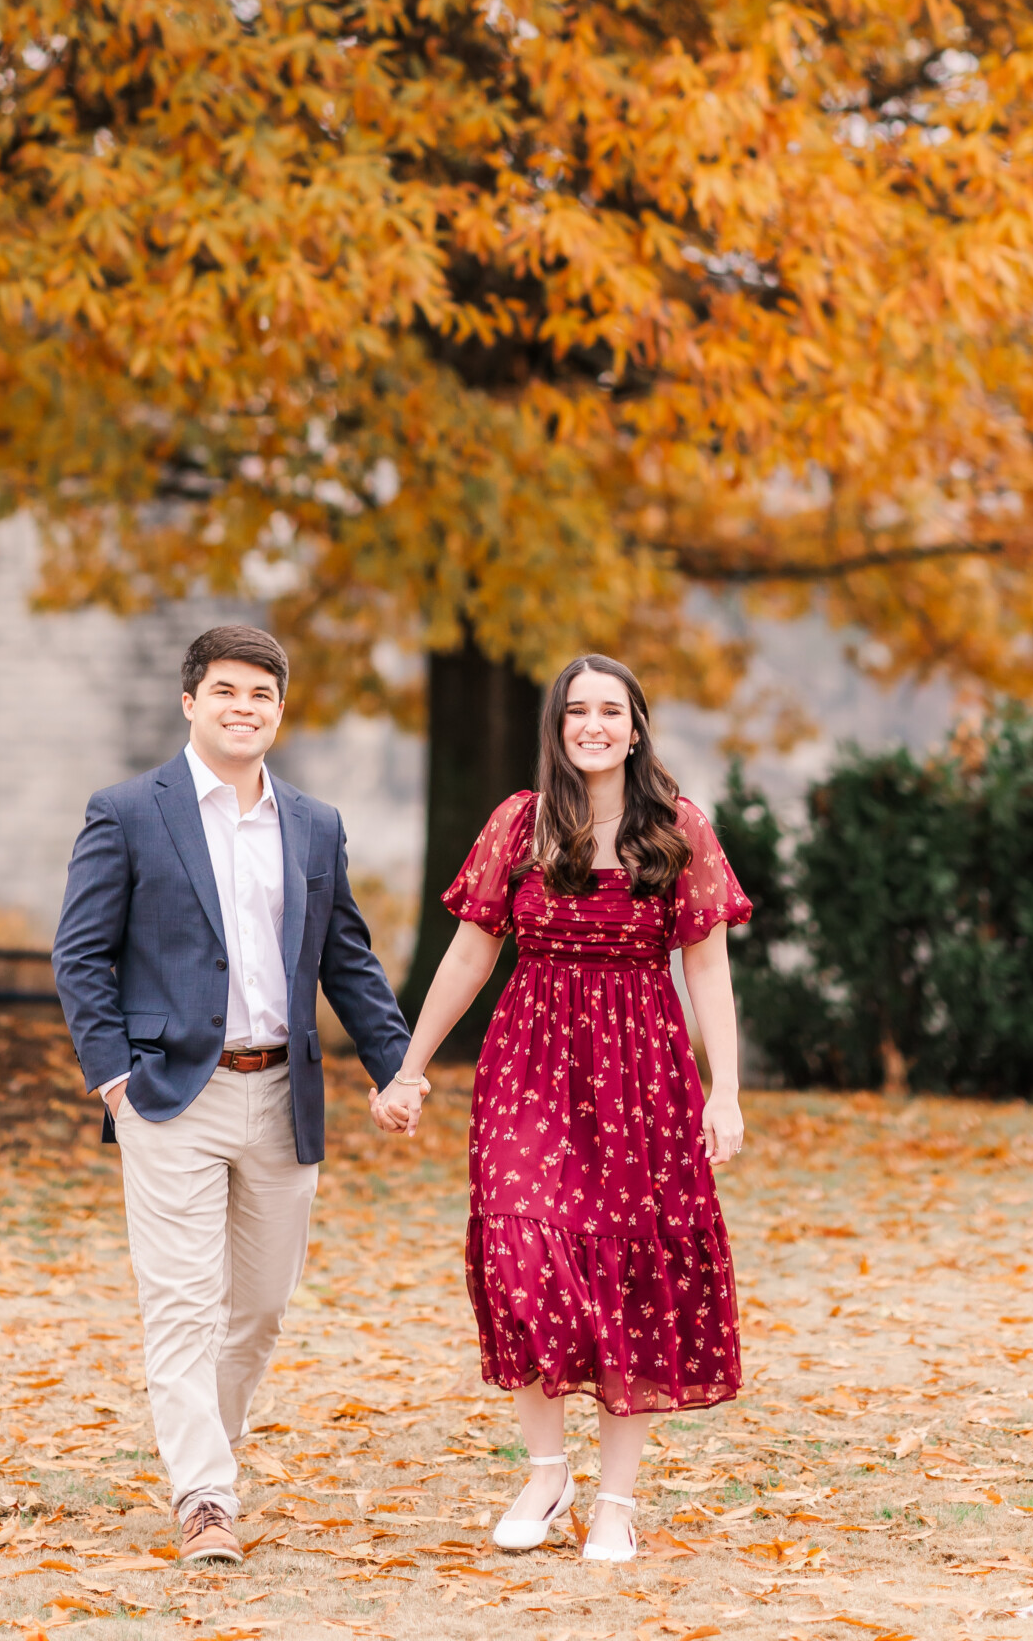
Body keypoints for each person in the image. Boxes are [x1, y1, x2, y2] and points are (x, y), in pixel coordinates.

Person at [371, 653, 751, 1563]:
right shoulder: (520, 821)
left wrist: (724, 1091)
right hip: (531, 1059)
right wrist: (408, 1068)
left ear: (634, 725)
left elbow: (705, 968)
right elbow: (468, 955)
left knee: (627, 1274)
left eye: (609, 711)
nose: (592, 725)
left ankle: (615, 1501)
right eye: (576, 710)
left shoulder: (678, 827)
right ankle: (547, 1474)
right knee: (518, 1253)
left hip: (642, 1070)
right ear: (557, 726)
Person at [52, 622, 415, 1565]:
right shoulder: (129, 811)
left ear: (279, 713)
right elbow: (81, 955)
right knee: (180, 1305)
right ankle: (206, 1496)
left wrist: (398, 1068)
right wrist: (113, 1079)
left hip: (282, 1098)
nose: (242, 708)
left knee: (257, 1310)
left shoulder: (314, 826)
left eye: (260, 695)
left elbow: (348, 963)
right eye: (225, 691)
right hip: (170, 1095)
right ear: (189, 701)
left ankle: (203, 1456)